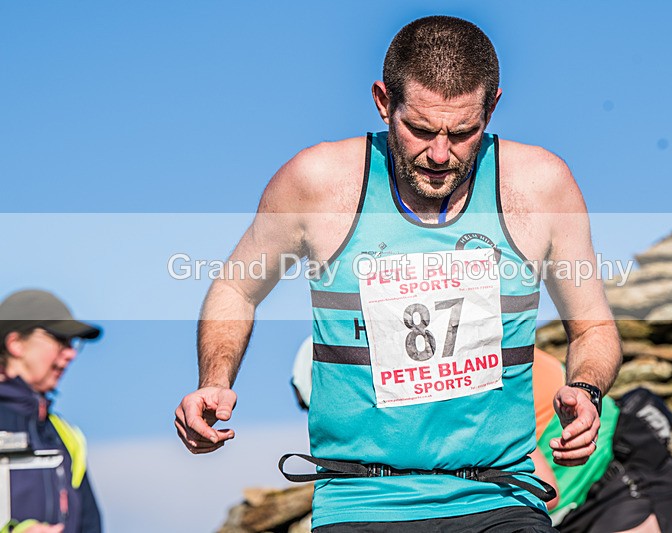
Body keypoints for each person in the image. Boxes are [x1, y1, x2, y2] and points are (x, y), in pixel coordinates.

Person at [175, 15, 622, 532]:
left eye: (464, 132)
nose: (440, 154)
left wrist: (586, 389)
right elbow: (236, 288)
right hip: (361, 502)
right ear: (383, 102)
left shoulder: (541, 186)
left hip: (500, 498)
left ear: (492, 108)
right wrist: (214, 381)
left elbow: (593, 326)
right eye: (420, 129)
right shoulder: (317, 183)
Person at [530, 348, 672, 533]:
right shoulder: (508, 352)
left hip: (618, 486)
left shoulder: (504, 371)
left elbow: (544, 493)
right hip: (580, 504)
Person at [0, 289, 103, 533]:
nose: (71, 353)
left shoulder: (66, 435)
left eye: (73, 343)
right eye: (60, 339)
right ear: (15, 343)